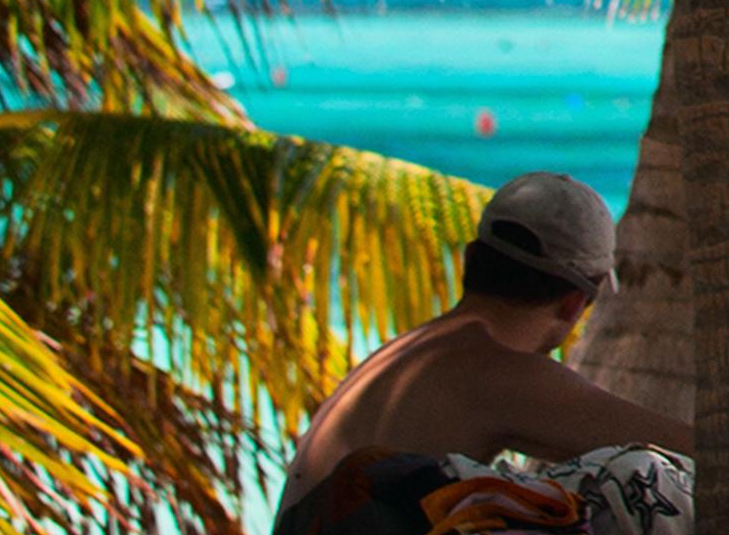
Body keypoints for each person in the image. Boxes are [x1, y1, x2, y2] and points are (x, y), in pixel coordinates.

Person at [282, 172, 686, 497]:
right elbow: (701, 453)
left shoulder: (405, 355)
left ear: (471, 259)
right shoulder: (505, 376)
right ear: (574, 303)